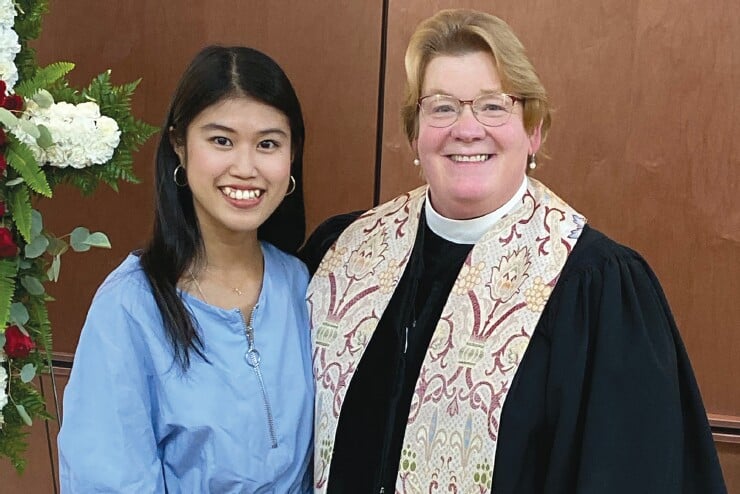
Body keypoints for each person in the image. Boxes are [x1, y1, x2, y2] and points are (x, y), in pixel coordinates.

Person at [300, 9, 727, 494]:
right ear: (415, 135)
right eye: (441, 107)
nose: (466, 129)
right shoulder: (343, 255)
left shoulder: (595, 289)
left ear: (534, 131)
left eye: (493, 106)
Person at [58, 46, 313, 493]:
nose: (246, 167)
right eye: (221, 140)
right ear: (179, 144)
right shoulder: (130, 308)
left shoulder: (306, 286)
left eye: (268, 143)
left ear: (292, 157)